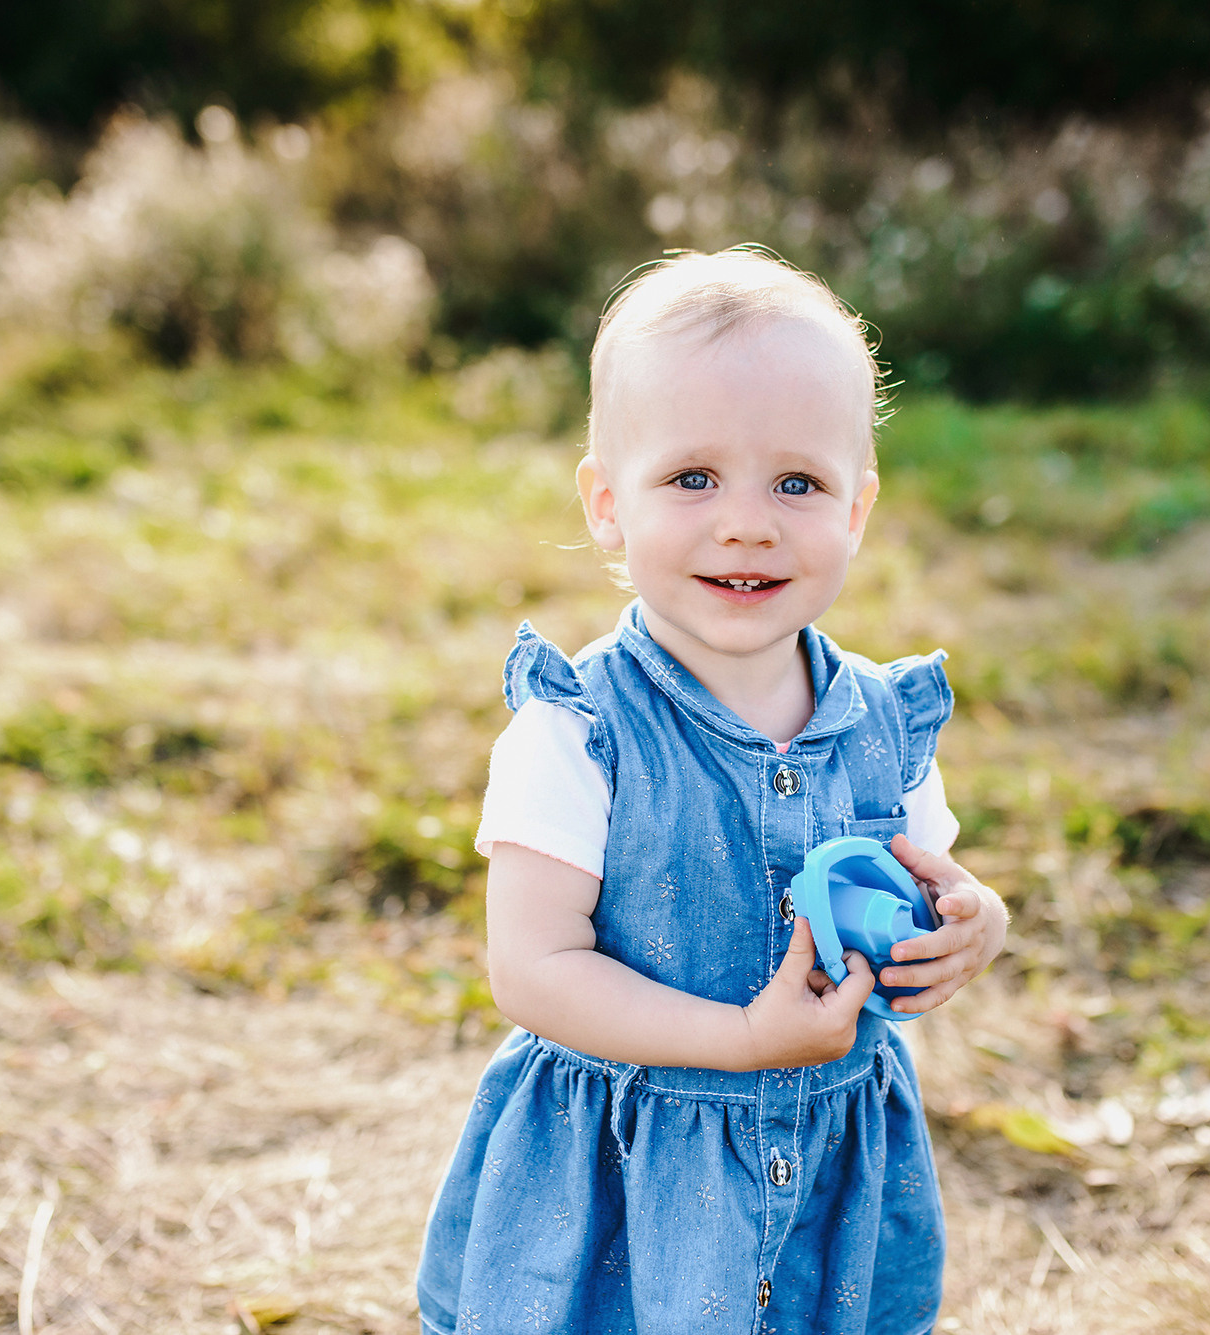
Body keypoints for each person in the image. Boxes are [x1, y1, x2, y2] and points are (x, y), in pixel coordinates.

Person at [416, 247, 1010, 1335]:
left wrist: (973, 924)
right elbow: (531, 969)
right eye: (692, 478)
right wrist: (739, 1037)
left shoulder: (884, 722)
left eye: (797, 482)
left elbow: (929, 876)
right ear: (605, 504)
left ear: (856, 511)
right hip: (627, 1182)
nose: (747, 522)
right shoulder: (577, 730)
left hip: (827, 1161)